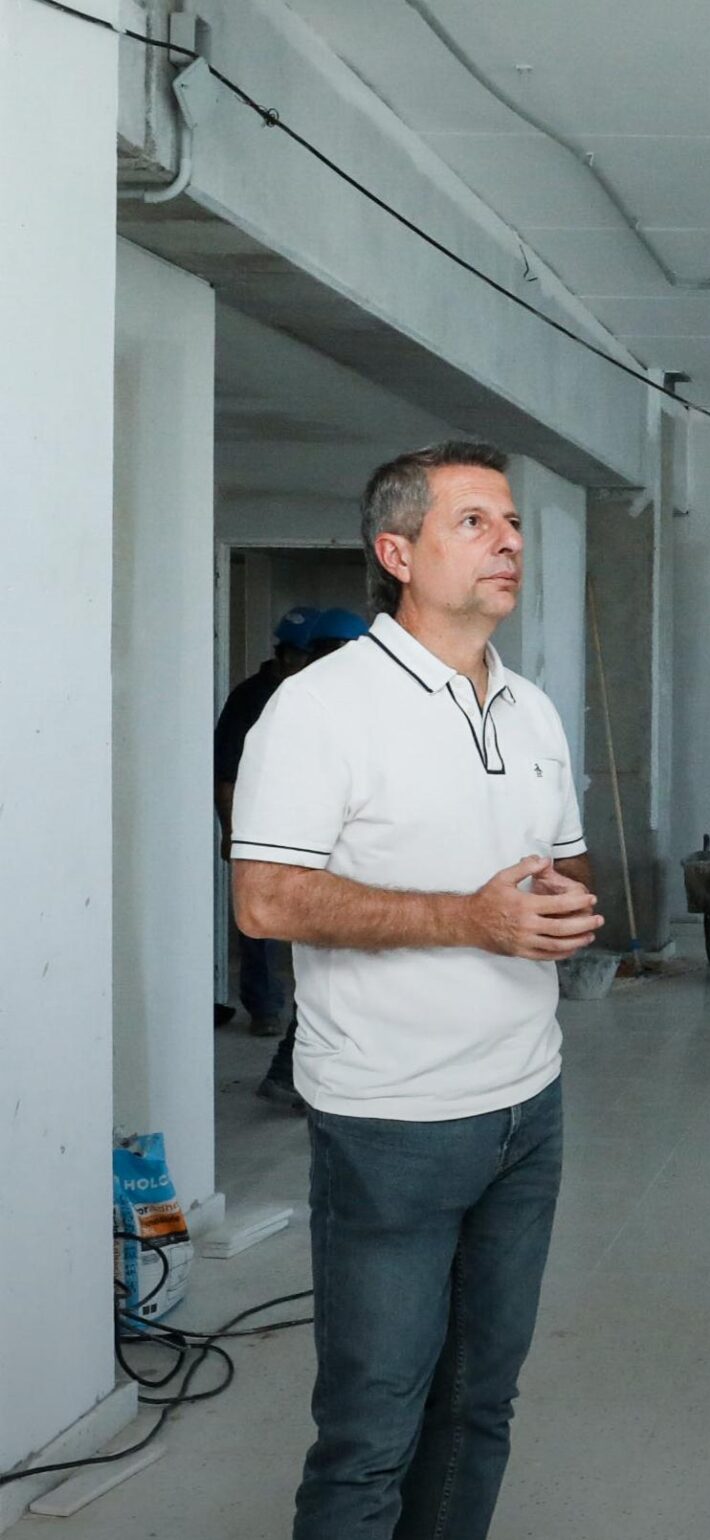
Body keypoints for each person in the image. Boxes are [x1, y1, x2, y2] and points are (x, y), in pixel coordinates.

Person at [231, 442, 600, 1540]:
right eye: (474, 522)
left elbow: (563, 862)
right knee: (370, 1433)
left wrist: (559, 903)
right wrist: (469, 918)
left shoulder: (530, 708)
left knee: (480, 1405)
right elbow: (265, 899)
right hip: (390, 1120)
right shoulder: (322, 708)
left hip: (527, 1106)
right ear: (397, 554)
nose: (509, 541)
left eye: (512, 522)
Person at [220, 606, 375, 1112]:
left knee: (332, 968)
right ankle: (287, 1060)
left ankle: (293, 1070)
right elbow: (230, 776)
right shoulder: (277, 701)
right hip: (290, 847)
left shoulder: (335, 699)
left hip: (328, 851)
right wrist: (234, 833)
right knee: (321, 962)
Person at [217, 606, 321, 1045]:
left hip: (316, 824)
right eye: (300, 656)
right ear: (284, 655)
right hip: (262, 824)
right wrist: (231, 831)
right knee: (259, 920)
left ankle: (309, 1013)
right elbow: (226, 773)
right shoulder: (250, 699)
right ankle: (264, 1006)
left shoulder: (324, 695)